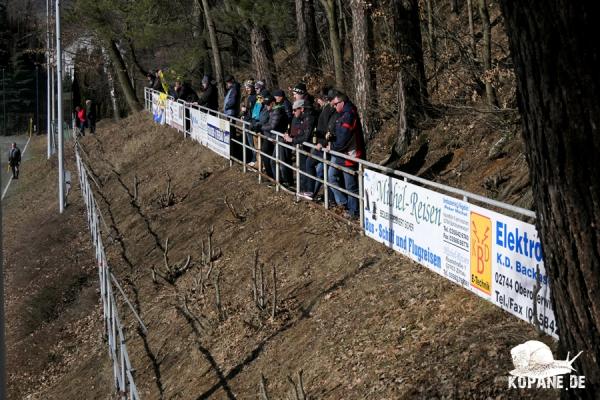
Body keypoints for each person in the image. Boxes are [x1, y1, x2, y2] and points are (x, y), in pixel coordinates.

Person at [327, 93, 366, 219]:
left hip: (350, 155)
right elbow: (341, 135)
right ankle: (345, 204)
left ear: (342, 102)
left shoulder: (349, 115)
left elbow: (344, 138)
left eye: (335, 104)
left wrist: (332, 146)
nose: (334, 107)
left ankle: (354, 211)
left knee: (351, 185)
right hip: (342, 153)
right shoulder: (343, 114)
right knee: (331, 177)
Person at [308, 87, 338, 200]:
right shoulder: (325, 110)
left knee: (311, 164)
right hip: (323, 143)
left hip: (325, 145)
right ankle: (314, 193)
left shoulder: (328, 111)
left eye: (318, 99)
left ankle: (312, 192)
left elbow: (328, 128)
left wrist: (323, 142)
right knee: (321, 171)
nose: (317, 102)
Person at [283, 99, 316, 197]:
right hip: (302, 147)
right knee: (302, 169)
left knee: (307, 169)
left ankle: (308, 191)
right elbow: (297, 132)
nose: (292, 112)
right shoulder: (301, 117)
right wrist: (290, 136)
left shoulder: (309, 118)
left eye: (294, 110)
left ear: (301, 109)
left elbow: (306, 136)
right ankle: (303, 190)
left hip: (309, 148)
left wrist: (292, 140)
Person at [260, 94, 289, 181]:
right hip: (275, 137)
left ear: (272, 103)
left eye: (268, 104)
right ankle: (278, 181)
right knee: (275, 161)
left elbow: (272, 125)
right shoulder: (272, 110)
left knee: (281, 163)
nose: (266, 106)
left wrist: (260, 127)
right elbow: (268, 123)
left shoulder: (277, 111)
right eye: (265, 104)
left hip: (280, 138)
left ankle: (285, 182)